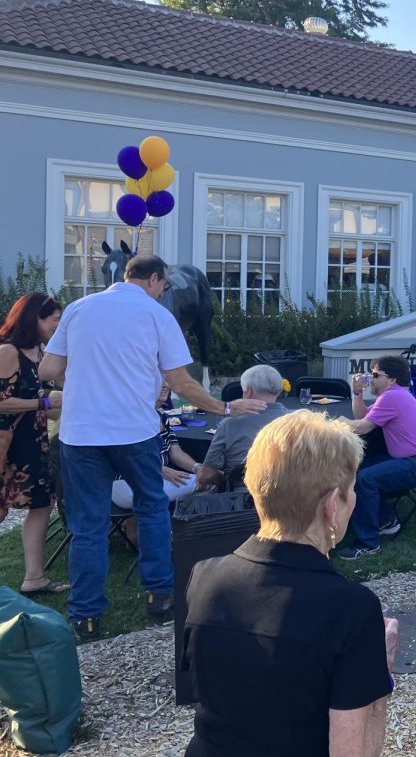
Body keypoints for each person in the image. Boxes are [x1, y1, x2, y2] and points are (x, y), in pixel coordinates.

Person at [38, 253, 265, 641]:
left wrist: (86, 381)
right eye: (164, 286)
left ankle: (86, 617)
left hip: (80, 432)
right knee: (152, 508)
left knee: (88, 525)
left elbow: (48, 371)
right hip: (134, 431)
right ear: (155, 280)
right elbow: (181, 382)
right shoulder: (157, 315)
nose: (164, 292)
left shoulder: (78, 308)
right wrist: (225, 407)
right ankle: (160, 593)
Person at [181, 410, 399, 757]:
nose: (353, 499)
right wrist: (381, 674)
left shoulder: (205, 576)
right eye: (352, 489)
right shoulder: (351, 610)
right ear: (331, 505)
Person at [340, 355, 416, 559]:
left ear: (392, 379)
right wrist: (357, 392)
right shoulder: (395, 395)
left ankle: (368, 543)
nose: (371, 378)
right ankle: (386, 520)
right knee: (359, 469)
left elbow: (361, 427)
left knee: (366, 478)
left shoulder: (392, 397)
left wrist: (336, 422)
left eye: (375, 374)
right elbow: (363, 417)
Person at [0, 293, 66, 597]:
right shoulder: (8, 351)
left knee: (42, 504)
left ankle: (34, 577)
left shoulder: (40, 352)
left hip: (34, 441)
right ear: (34, 318)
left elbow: (53, 393)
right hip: (8, 443)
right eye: (53, 319)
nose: (57, 325)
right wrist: (42, 402)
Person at [112, 382, 199, 532]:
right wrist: (161, 470)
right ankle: (184, 532)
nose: (165, 385)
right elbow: (124, 455)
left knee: (203, 476)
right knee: (206, 482)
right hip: (125, 482)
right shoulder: (130, 417)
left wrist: (198, 467)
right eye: (158, 380)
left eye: (167, 380)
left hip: (151, 477)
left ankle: (137, 528)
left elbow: (176, 453)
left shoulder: (162, 416)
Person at [197, 364, 289, 492]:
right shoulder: (298, 420)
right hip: (290, 496)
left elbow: (207, 474)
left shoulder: (229, 425)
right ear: (279, 390)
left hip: (243, 500)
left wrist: (225, 482)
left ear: (249, 391)